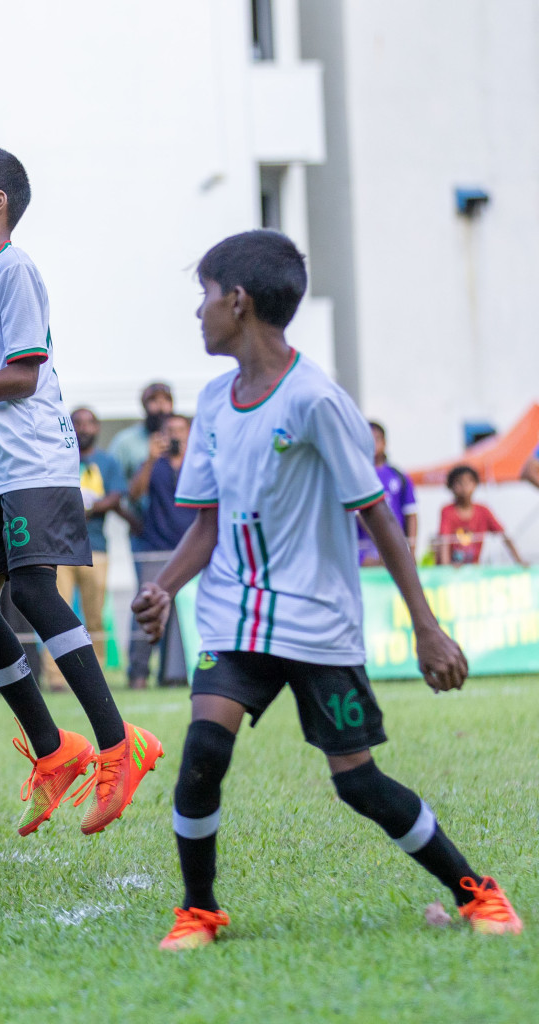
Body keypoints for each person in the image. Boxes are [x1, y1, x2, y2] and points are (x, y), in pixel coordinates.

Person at [131, 229, 521, 950]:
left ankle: (478, 893)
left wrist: (426, 626)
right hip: (234, 619)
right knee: (201, 758)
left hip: (317, 626)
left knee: (359, 784)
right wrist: (163, 588)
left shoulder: (317, 400)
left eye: (206, 296)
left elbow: (377, 513)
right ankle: (199, 910)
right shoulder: (213, 404)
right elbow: (206, 529)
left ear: (239, 302)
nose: (199, 313)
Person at [0, 146, 163, 841]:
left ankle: (118, 741)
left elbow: (21, 376)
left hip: (35, 462)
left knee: (36, 593)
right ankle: (55, 750)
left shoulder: (16, 272)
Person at [41, 408, 128, 691]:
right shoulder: (57, 459)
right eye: (77, 423)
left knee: (94, 615)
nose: (83, 428)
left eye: (89, 422)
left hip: (95, 548)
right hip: (58, 548)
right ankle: (55, 678)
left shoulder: (107, 461)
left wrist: (86, 508)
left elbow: (115, 496)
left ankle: (97, 674)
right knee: (55, 613)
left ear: (98, 427)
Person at [127, 415, 197, 687]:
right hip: (157, 549)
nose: (176, 436)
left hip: (192, 550)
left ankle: (176, 675)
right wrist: (150, 459)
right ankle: (139, 674)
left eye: (180, 430)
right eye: (170, 431)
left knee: (188, 617)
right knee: (148, 608)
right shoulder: (154, 464)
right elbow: (133, 494)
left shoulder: (198, 463)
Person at [435, 465, 524, 567]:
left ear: (476, 484)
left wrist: (519, 561)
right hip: (453, 570)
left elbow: (504, 535)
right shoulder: (447, 511)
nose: (465, 486)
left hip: (473, 570)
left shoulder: (483, 511)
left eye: (469, 481)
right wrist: (446, 568)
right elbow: (444, 541)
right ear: (451, 486)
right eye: (459, 482)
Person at [357, 422, 417, 566]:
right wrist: (381, 544)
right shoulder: (357, 476)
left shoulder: (398, 476)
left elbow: (411, 513)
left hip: (396, 546)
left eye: (376, 439)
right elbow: (358, 514)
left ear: (384, 443)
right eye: (367, 439)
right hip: (365, 551)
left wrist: (411, 550)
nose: (373, 444)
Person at [108, 382, 174, 482]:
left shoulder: (185, 439)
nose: (161, 406)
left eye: (166, 400)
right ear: (144, 405)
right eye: (154, 400)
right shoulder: (126, 440)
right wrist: (150, 460)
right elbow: (113, 481)